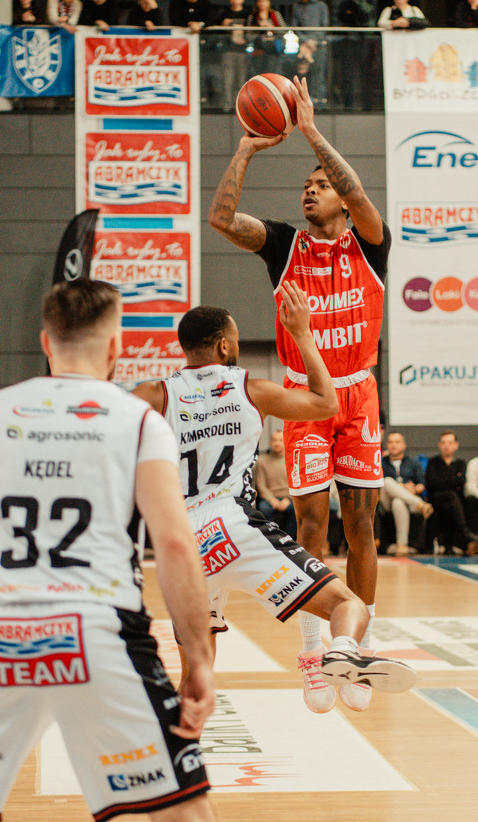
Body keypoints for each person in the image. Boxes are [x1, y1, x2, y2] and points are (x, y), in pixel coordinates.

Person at [0, 279, 236, 822]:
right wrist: (199, 659)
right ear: (116, 347)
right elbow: (176, 546)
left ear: (45, 343)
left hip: (3, 638)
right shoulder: (137, 420)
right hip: (100, 634)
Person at [133, 286, 416, 713]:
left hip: (183, 543)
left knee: (195, 677)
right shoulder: (252, 389)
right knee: (348, 606)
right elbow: (326, 403)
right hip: (233, 525)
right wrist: (302, 334)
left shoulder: (154, 394)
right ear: (224, 345)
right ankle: (340, 652)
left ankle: (180, 745)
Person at [209, 76, 388, 713]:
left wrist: (310, 131)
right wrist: (246, 148)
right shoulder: (285, 245)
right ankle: (315, 651)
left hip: (359, 393)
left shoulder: (370, 242)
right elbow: (221, 219)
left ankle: (355, 648)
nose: (310, 190)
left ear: (341, 198)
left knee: (361, 524)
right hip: (306, 396)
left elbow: (358, 191)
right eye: (305, 185)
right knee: (310, 523)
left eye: (320, 185)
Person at [425, 432, 478, 556]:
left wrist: (443, 482)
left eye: (450, 443)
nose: (446, 446)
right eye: (443, 442)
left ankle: (449, 546)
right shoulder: (433, 462)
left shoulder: (460, 463)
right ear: (439, 444)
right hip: (436, 499)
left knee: (450, 504)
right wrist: (453, 481)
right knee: (451, 496)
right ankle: (465, 533)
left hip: (453, 502)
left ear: (456, 445)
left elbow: (461, 481)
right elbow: (432, 482)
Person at [379, 432, 433, 555]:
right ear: (387, 445)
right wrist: (403, 487)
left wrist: (414, 490)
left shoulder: (413, 462)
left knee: (398, 502)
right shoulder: (381, 463)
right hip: (386, 501)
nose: (394, 445)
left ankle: (401, 545)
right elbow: (379, 485)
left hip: (407, 501)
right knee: (387, 481)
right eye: (391, 442)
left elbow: (421, 484)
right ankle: (420, 504)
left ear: (404, 445)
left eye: (397, 442)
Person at [337, 0, 378, 109]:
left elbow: (365, 17)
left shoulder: (369, 3)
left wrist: (354, 12)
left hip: (366, 44)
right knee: (347, 76)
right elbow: (343, 17)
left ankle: (368, 106)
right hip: (349, 43)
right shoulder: (345, 4)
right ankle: (348, 105)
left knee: (366, 76)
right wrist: (353, 13)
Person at [291, 0, 330, 104]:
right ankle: (302, 101)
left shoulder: (322, 6)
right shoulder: (297, 6)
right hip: (303, 45)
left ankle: (319, 101)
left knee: (318, 73)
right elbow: (295, 27)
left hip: (318, 45)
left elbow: (325, 25)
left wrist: (314, 40)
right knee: (302, 73)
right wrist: (306, 40)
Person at [254, 429, 297, 539]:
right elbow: (261, 486)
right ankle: (272, 539)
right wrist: (272, 500)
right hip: (270, 498)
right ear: (270, 442)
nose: (277, 443)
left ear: (285, 442)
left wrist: (288, 499)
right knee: (263, 508)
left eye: (280, 440)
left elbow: (296, 483)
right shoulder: (262, 461)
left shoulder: (292, 460)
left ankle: (289, 539)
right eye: (274, 440)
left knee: (297, 509)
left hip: (289, 498)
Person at [217, 0, 249, 111]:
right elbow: (215, 30)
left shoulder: (247, 14)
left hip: (242, 50)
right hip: (228, 50)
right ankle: (227, 104)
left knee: (241, 80)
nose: (236, 0)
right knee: (227, 80)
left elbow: (252, 31)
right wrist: (222, 24)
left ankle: (239, 105)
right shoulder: (225, 14)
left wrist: (247, 39)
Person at [246, 0, 286, 75]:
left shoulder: (275, 14)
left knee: (272, 72)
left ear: (269, 2)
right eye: (260, 1)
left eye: (265, 1)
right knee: (259, 73)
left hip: (272, 49)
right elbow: (248, 35)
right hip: (258, 49)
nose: (262, 3)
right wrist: (258, 28)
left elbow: (284, 30)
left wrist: (272, 28)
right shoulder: (252, 16)